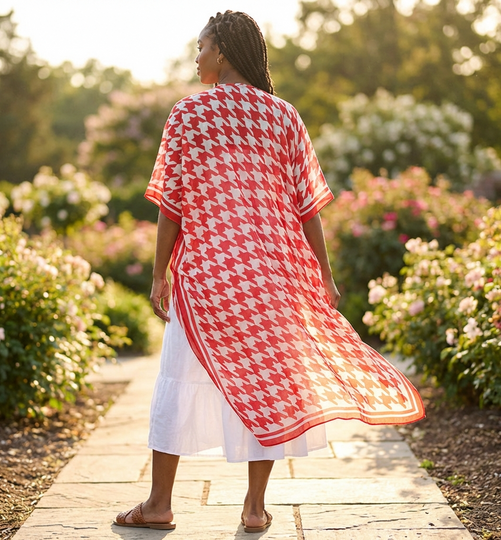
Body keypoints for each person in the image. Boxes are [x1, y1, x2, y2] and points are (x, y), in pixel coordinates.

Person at [114, 10, 425, 533]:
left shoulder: (189, 114)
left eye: (202, 46)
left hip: (207, 277)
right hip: (272, 279)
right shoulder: (284, 116)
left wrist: (159, 274)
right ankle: (255, 509)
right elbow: (309, 208)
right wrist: (323, 276)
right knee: (272, 388)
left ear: (224, 53)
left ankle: (160, 505)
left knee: (176, 381)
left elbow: (173, 205)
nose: (197, 57)